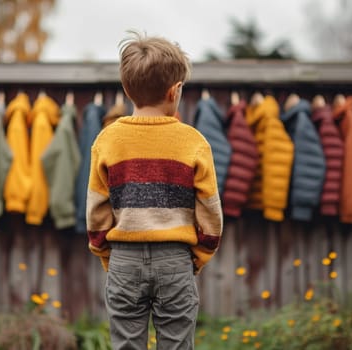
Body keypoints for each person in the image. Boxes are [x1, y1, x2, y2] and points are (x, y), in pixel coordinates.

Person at [86, 30, 223, 350]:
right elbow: (210, 211)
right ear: (175, 91)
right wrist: (197, 257)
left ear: (126, 89)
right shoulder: (193, 142)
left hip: (123, 260)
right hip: (175, 259)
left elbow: (96, 211)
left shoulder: (107, 140)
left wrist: (109, 255)